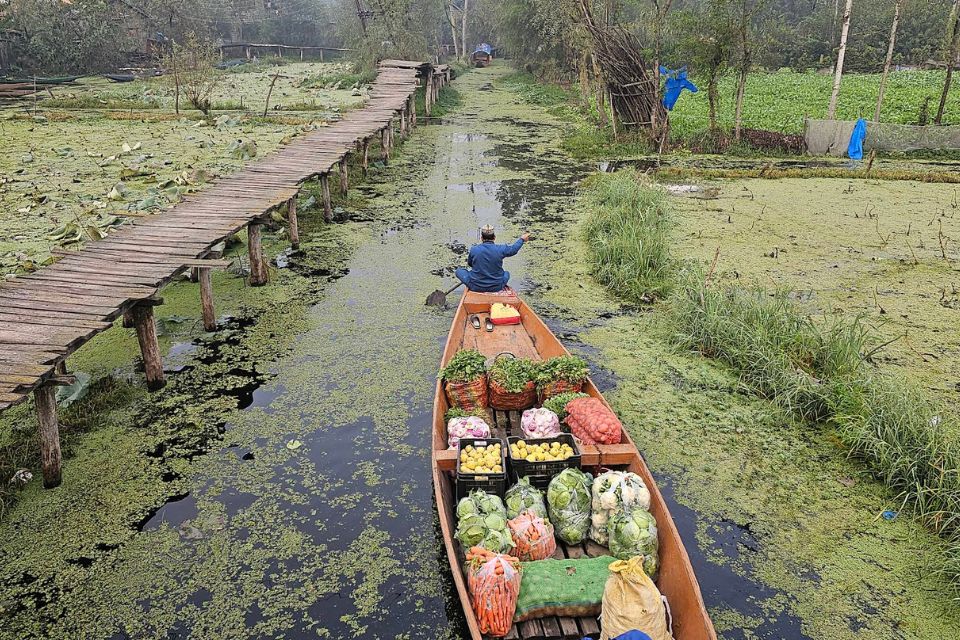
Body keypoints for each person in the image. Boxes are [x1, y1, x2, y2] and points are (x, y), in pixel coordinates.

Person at [455, 225, 530, 293]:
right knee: (506, 273)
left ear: (481, 238)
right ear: (494, 238)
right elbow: (513, 250)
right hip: (496, 287)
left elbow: (470, 264)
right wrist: (522, 239)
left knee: (459, 271)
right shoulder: (501, 249)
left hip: (476, 286)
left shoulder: (474, 249)